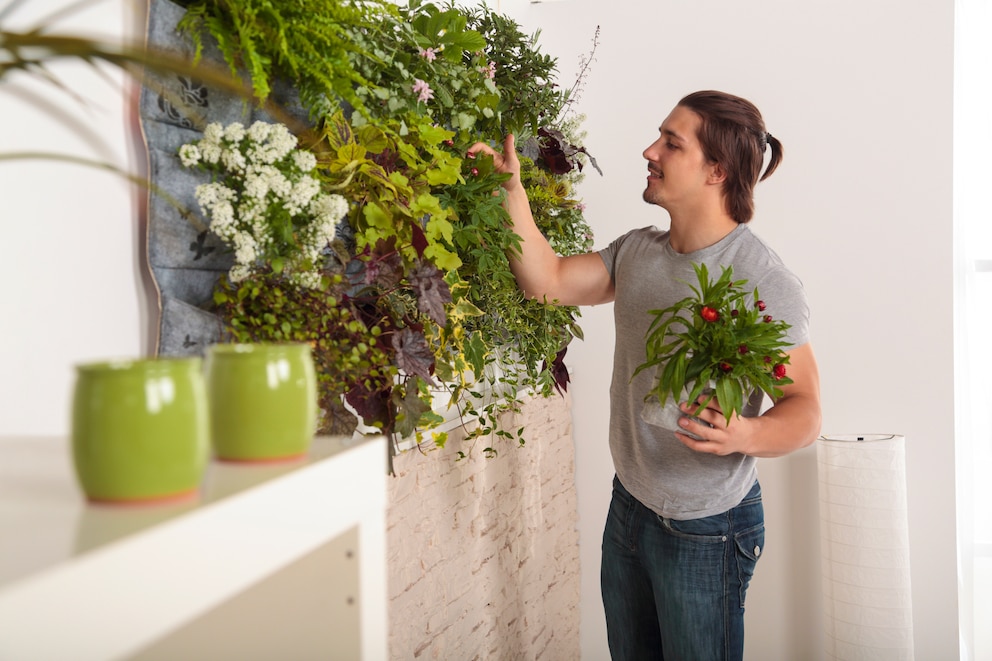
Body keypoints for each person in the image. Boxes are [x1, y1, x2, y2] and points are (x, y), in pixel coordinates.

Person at [469, 90, 822, 660]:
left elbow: (805, 410)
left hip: (708, 528)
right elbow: (549, 280)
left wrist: (745, 434)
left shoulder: (762, 280)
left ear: (716, 171)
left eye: (671, 143)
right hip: (629, 506)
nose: (649, 150)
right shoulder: (638, 252)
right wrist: (510, 191)